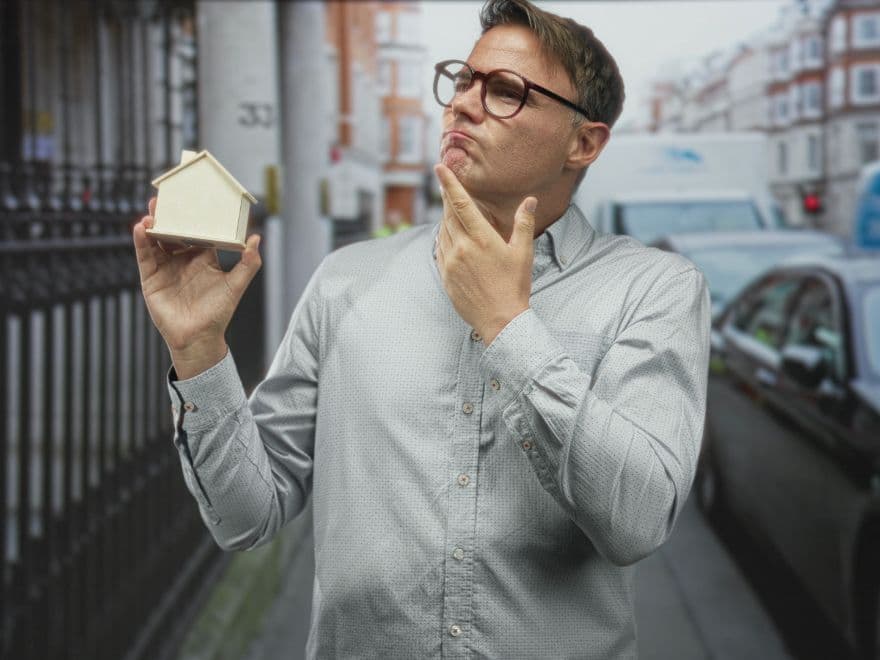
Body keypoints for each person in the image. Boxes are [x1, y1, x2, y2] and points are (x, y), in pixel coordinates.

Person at [132, 0, 710, 657]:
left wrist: (506, 325)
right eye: (463, 80)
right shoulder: (346, 281)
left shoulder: (653, 290)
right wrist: (198, 348)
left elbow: (636, 522)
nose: (463, 104)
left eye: (505, 92)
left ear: (584, 143)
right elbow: (246, 518)